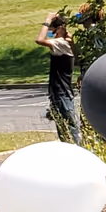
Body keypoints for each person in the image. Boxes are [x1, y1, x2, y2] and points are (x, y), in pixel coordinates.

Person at [35, 13, 82, 145]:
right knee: (64, 128)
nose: (50, 32)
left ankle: (77, 153)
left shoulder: (60, 43)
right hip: (60, 93)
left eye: (52, 29)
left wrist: (47, 20)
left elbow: (39, 40)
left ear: (61, 28)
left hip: (62, 93)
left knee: (69, 129)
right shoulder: (65, 43)